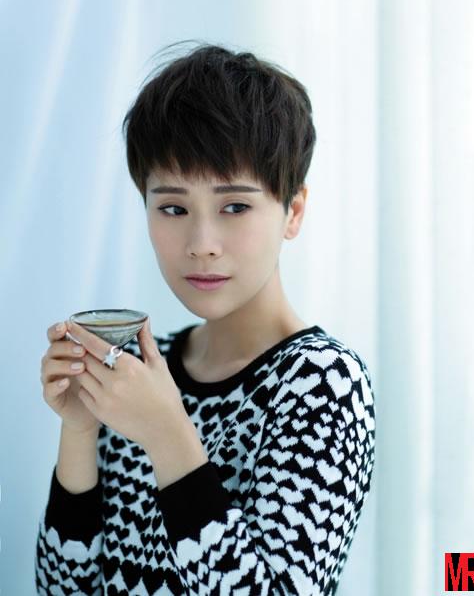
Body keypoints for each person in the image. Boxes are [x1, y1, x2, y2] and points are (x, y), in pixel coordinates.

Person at [35, 43, 376, 595]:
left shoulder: (322, 383)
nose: (201, 243)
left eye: (234, 206)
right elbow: (61, 589)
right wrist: (80, 428)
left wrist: (168, 434)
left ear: (293, 211)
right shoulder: (140, 373)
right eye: (173, 208)